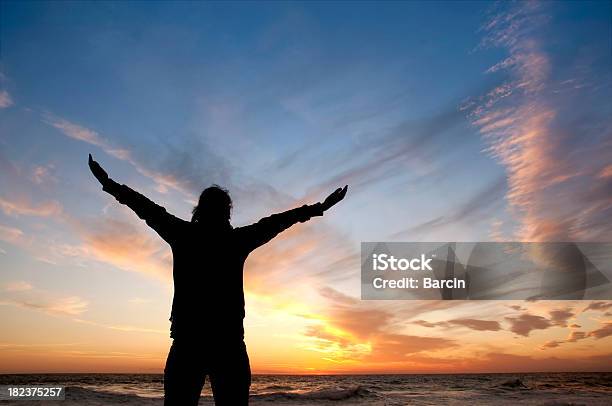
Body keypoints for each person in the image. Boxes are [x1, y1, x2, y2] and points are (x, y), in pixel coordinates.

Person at [87, 154, 348, 405]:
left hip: (195, 342)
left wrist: (109, 184)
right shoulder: (232, 240)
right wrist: (317, 208)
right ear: (228, 212)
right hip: (222, 343)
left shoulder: (184, 234)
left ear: (199, 210)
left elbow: (146, 208)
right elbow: (276, 222)